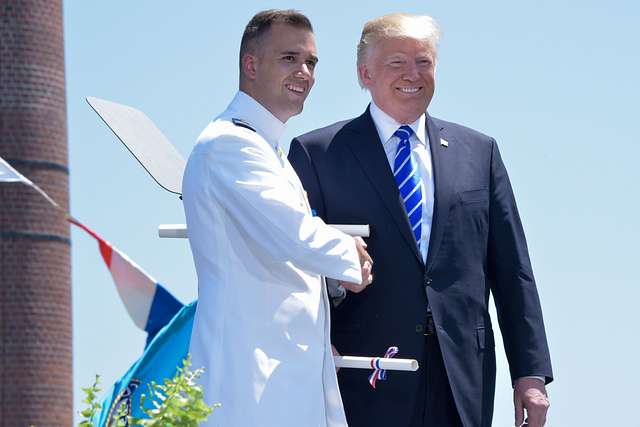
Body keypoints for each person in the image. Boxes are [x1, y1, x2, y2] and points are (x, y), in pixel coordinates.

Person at [289, 13, 553, 427]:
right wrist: (315, 344)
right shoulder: (317, 154)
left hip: (460, 379)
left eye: (424, 62)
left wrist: (531, 373)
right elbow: (294, 268)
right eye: (397, 62)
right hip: (361, 378)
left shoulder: (479, 152)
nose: (413, 74)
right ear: (365, 73)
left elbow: (513, 271)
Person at [182, 10, 373, 427]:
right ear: (251, 65)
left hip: (284, 377)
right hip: (251, 382)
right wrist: (348, 254)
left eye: (311, 62)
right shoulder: (230, 145)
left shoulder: (266, 150)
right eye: (289, 58)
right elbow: (292, 235)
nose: (304, 72)